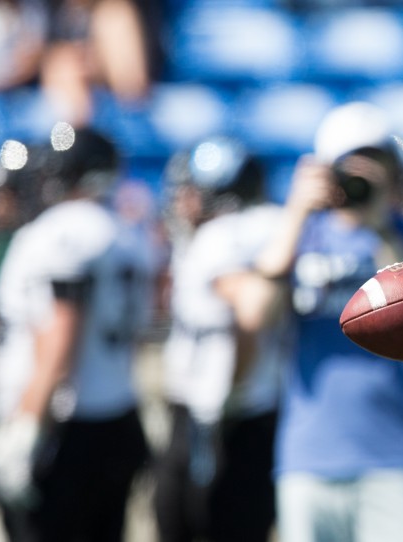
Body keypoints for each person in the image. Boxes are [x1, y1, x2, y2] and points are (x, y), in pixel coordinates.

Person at [267, 102, 403, 542]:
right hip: (308, 456)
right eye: (351, 164)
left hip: (397, 455)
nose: (363, 175)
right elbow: (258, 315)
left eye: (376, 162)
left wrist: (381, 227)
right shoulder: (296, 238)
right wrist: (296, 213)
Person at [0, 124, 156, 541]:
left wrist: (27, 426)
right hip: (117, 412)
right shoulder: (127, 232)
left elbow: (60, 336)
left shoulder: (59, 232)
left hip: (66, 426)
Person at [153, 136, 282, 542]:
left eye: (191, 190)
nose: (181, 200)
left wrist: (234, 387)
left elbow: (248, 310)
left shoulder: (220, 237)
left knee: (186, 520)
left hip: (219, 411)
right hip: (257, 406)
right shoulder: (266, 226)